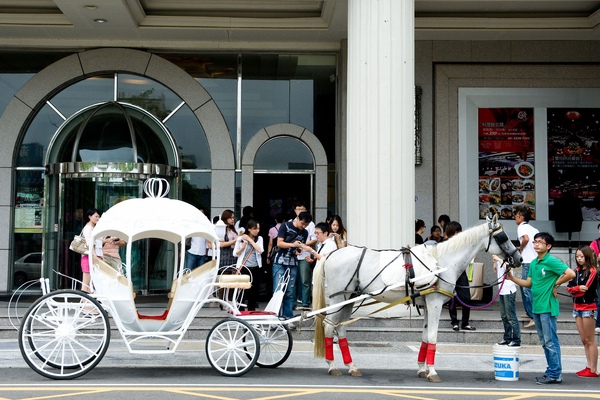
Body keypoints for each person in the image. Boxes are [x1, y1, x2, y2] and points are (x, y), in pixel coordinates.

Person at [508, 232, 576, 385]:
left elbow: (570, 273)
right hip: (537, 307)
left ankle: (555, 374)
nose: (536, 244)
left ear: (549, 246)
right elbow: (528, 283)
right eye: (535, 241)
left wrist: (556, 284)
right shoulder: (533, 263)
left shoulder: (551, 261)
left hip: (547, 307)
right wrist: (512, 278)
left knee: (550, 341)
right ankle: (552, 371)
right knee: (545, 342)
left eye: (540, 242)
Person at [272, 211, 312, 324]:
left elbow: (298, 247)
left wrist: (298, 250)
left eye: (306, 225)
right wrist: (293, 245)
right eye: (303, 223)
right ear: (298, 218)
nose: (303, 226)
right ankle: (275, 317)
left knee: (290, 291)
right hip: (279, 262)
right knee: (278, 290)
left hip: (293, 263)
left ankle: (288, 317)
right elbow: (279, 243)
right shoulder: (285, 226)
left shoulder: (304, 232)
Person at [566, 245, 598, 378]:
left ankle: (593, 369)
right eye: (577, 256)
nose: (579, 259)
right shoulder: (576, 271)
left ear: (588, 256)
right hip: (577, 308)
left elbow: (587, 289)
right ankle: (588, 366)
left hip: (588, 307)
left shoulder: (592, 271)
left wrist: (575, 289)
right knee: (584, 340)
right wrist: (577, 288)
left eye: (582, 256)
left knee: (590, 340)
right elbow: (569, 288)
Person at [445, 221, 476, 331]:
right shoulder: (446, 244)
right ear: (451, 232)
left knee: (466, 298)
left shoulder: (463, 244)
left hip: (461, 273)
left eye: (459, 231)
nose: (459, 234)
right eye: (457, 231)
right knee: (452, 298)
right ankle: (454, 322)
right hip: (449, 274)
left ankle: (465, 322)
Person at [515, 208, 539, 329]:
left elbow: (526, 239)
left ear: (522, 218)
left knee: (526, 288)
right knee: (525, 286)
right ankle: (528, 311)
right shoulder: (534, 229)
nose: (515, 217)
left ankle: (533, 316)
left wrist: (520, 248)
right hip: (535, 260)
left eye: (517, 216)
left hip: (528, 261)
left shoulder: (521, 227)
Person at [233, 219, 264, 311]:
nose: (257, 231)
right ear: (249, 229)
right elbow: (235, 254)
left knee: (253, 291)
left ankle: (251, 310)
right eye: (255, 229)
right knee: (242, 290)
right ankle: (240, 311)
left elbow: (260, 250)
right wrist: (243, 247)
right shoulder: (240, 239)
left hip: (255, 267)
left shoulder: (259, 239)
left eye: (258, 228)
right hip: (244, 267)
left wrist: (250, 240)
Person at [291, 202, 317, 309]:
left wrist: (303, 245)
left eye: (302, 208)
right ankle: (291, 302)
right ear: (295, 210)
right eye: (298, 208)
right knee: (292, 280)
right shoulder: (290, 223)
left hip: (305, 255)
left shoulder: (310, 224)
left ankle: (305, 302)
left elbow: (314, 239)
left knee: (305, 280)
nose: (300, 210)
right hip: (292, 255)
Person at [493, 254, 521, 347]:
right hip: (501, 290)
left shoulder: (510, 258)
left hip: (509, 290)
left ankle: (516, 339)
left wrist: (499, 259)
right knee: (504, 316)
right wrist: (495, 262)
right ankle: (507, 337)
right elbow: (496, 271)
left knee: (511, 316)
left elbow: (509, 269)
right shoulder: (499, 259)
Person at [81, 208, 101, 294]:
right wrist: (94, 256)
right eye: (96, 216)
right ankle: (86, 305)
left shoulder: (94, 228)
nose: (98, 218)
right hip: (89, 257)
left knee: (92, 283)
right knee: (87, 283)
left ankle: (88, 305)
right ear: (90, 216)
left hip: (94, 257)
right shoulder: (88, 228)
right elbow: (89, 243)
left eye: (99, 216)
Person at [589, 222, 600, 334]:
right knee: (599, 300)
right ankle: (598, 324)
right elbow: (591, 261)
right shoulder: (594, 244)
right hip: (598, 276)